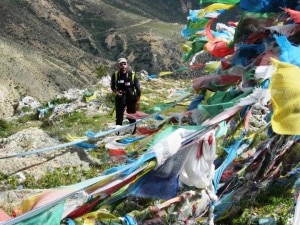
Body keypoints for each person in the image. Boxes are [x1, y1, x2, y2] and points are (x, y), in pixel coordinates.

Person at [110, 57, 141, 129]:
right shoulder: (115, 75)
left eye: (124, 64)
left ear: (127, 65)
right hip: (120, 98)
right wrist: (116, 92)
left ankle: (133, 129)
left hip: (130, 98)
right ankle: (118, 131)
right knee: (119, 116)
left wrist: (137, 101)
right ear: (119, 65)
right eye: (121, 64)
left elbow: (138, 89)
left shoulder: (132, 75)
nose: (123, 65)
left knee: (131, 115)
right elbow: (112, 86)